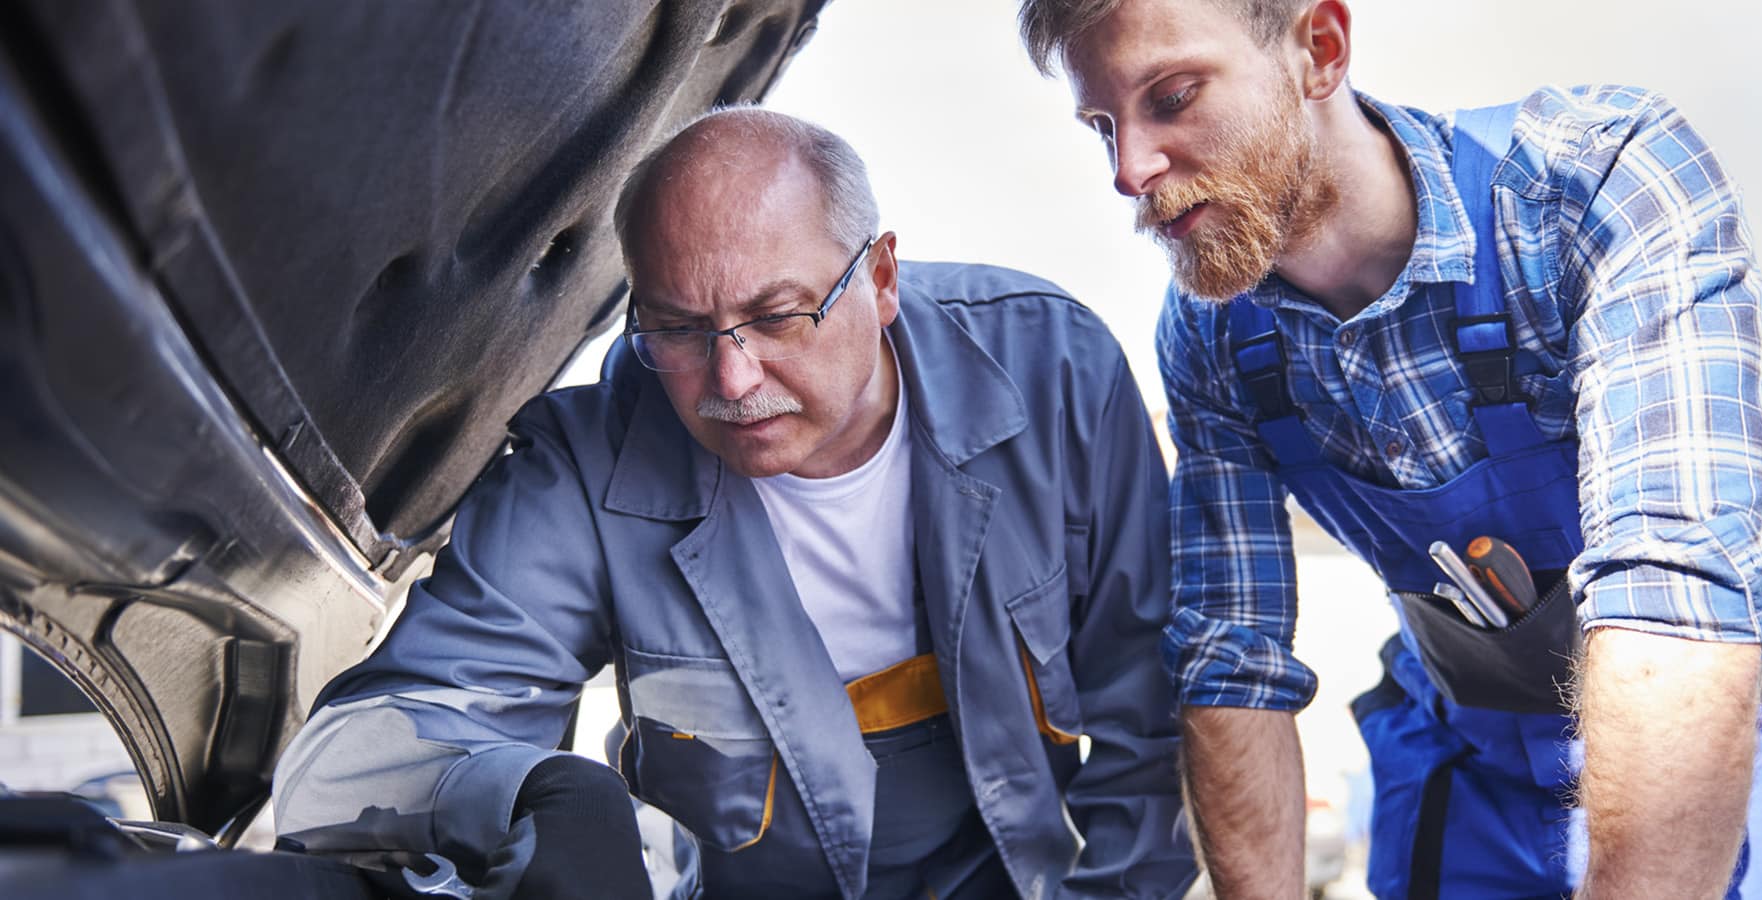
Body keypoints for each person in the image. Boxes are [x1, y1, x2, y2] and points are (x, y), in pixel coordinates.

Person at [1018, 0, 1762, 897]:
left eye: (1174, 95)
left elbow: (1673, 590)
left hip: (1707, 751)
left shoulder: (1595, 186)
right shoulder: (1211, 338)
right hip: (1467, 771)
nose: (1128, 170)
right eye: (1102, 125)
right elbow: (1234, 657)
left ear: (1320, 48)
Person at [271, 107, 1197, 899]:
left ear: (878, 280)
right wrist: (543, 796)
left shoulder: (1053, 375)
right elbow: (342, 765)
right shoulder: (588, 470)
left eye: (778, 314)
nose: (732, 377)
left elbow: (1148, 713)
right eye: (677, 328)